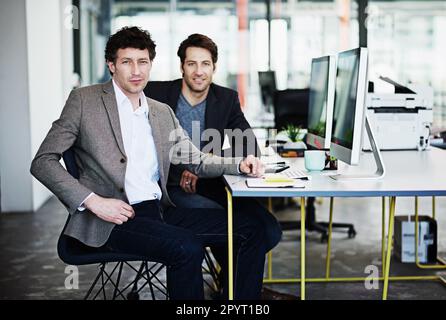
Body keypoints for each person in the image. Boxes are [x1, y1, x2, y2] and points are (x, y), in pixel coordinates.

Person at [30, 26, 281, 300]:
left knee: (251, 229)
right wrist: (93, 201)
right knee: (187, 247)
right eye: (127, 62)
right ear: (111, 65)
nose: (136, 71)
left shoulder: (161, 111)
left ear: (151, 64)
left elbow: (195, 159)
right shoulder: (84, 100)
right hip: (112, 219)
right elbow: (43, 161)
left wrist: (239, 164)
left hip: (159, 211)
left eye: (143, 62)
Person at [144, 34, 296, 300]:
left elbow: (248, 146)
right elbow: (140, 143)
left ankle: (234, 288)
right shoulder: (156, 94)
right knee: (233, 226)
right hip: (169, 188)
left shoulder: (225, 98)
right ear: (182, 66)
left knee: (269, 229)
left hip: (208, 182)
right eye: (192, 64)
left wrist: (203, 162)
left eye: (205, 64)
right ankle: (241, 292)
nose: (199, 71)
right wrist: (182, 170)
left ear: (214, 67)